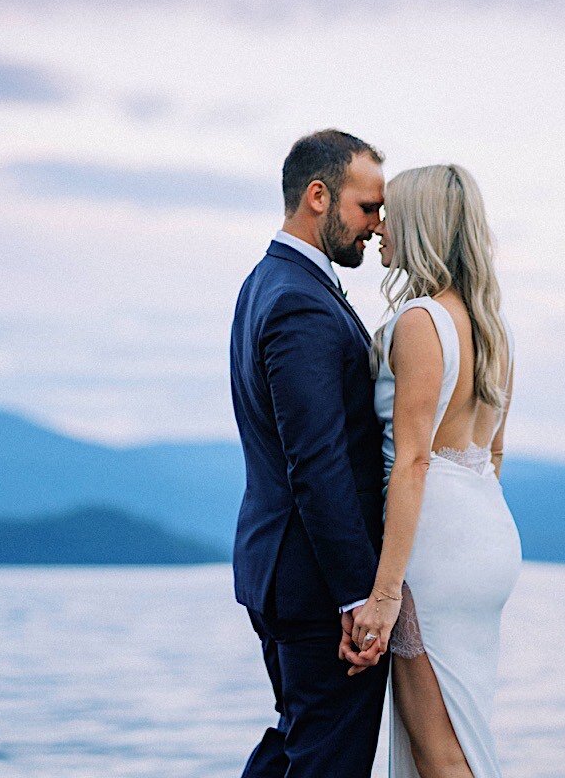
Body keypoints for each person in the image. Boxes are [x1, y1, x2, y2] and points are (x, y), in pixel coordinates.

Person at [347, 163, 522, 777]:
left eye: (391, 213)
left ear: (422, 225)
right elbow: (493, 454)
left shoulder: (423, 322)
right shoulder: (491, 330)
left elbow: (413, 459)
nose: (379, 227)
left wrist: (384, 593)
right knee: (464, 732)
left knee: (437, 748)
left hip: (434, 546)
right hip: (486, 533)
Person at [230, 129, 389, 778]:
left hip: (281, 569)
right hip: (317, 584)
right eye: (367, 208)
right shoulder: (300, 301)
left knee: (297, 745)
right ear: (318, 196)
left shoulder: (264, 284)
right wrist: (358, 595)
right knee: (326, 761)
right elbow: (317, 464)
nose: (378, 227)